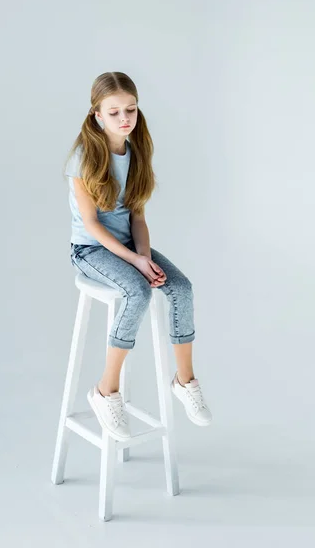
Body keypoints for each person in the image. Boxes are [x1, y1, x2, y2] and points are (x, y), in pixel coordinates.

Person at [63, 71, 212, 441]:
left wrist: (144, 256)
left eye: (130, 109)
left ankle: (185, 381)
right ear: (97, 114)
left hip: (129, 246)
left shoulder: (137, 151)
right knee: (138, 292)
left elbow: (138, 217)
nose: (124, 118)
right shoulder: (84, 158)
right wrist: (135, 264)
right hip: (91, 250)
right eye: (113, 112)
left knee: (181, 288)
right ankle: (105, 390)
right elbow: (93, 227)